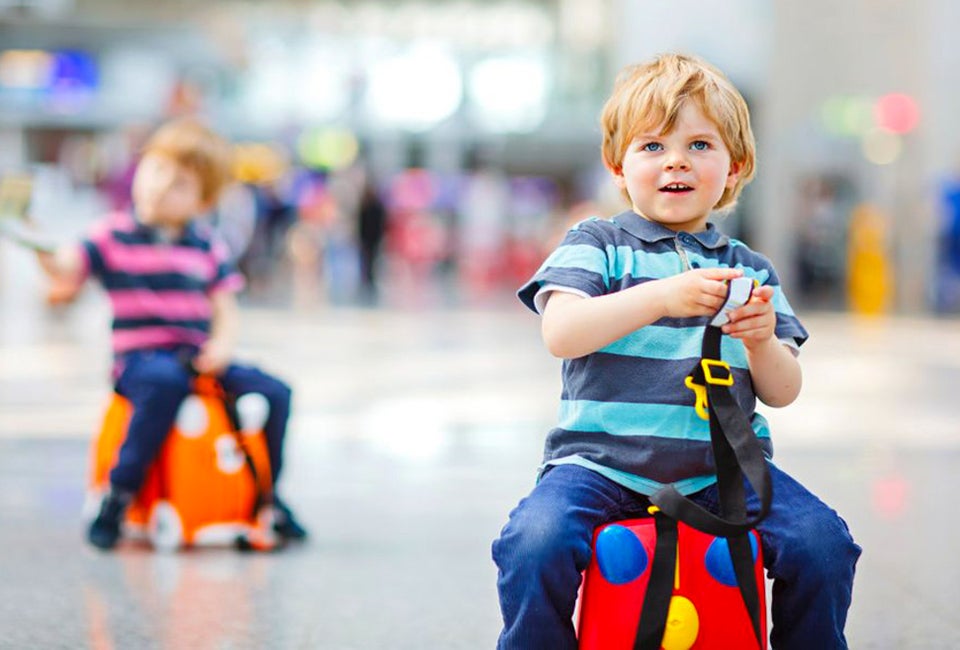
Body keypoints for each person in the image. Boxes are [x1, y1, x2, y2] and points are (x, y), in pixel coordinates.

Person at [492, 53, 861, 649]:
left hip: (725, 473)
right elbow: (562, 332)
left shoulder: (749, 267)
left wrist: (763, 339)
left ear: (735, 166)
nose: (676, 162)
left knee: (823, 543)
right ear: (618, 164)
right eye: (653, 147)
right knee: (533, 540)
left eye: (698, 145)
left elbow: (783, 390)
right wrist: (661, 296)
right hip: (598, 463)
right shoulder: (598, 244)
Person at [33, 118, 307, 549]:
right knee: (164, 385)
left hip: (197, 355)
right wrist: (43, 251)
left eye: (180, 184)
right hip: (139, 360)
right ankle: (119, 494)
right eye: (156, 171)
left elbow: (225, 307)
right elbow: (68, 265)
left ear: (203, 201)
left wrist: (221, 346)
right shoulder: (111, 234)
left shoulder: (204, 243)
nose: (161, 187)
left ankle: (266, 493)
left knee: (275, 391)